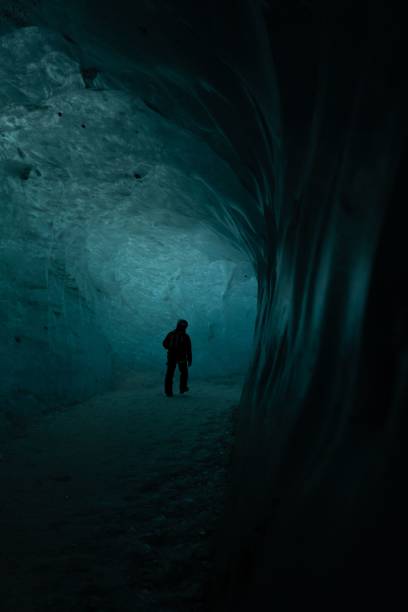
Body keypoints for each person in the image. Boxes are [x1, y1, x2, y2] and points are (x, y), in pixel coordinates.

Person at [162, 319, 192, 397]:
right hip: (181, 357)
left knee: (170, 373)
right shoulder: (185, 336)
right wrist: (189, 359)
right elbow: (189, 348)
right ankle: (183, 387)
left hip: (172, 356)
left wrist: (170, 348)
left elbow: (164, 344)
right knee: (184, 372)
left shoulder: (171, 334)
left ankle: (168, 391)